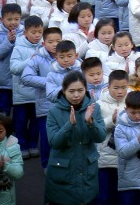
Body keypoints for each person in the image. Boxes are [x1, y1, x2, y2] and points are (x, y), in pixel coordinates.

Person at [44, 71, 108, 205]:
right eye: (71, 91)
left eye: (80, 90)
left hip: (87, 172)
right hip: (62, 173)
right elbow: (54, 142)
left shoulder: (94, 108)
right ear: (64, 90)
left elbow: (101, 137)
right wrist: (69, 125)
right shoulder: (53, 111)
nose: (76, 95)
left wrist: (91, 123)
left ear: (86, 89)